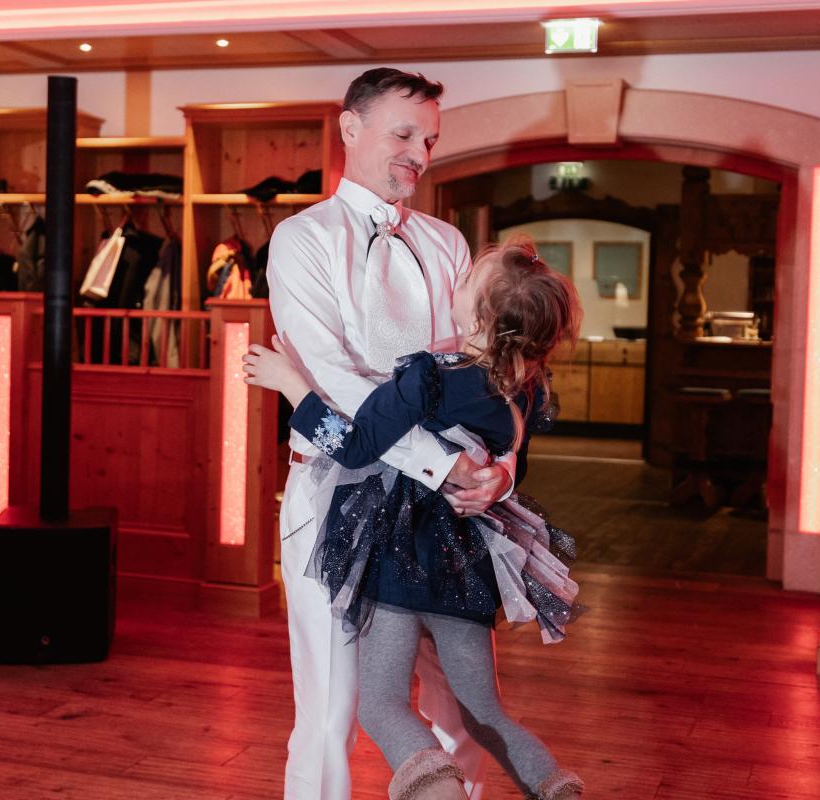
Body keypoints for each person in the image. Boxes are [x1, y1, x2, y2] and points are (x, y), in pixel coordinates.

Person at [246, 236, 585, 800]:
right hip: (468, 564)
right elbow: (514, 464)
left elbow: (354, 446)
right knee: (484, 713)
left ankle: (439, 793)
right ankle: (556, 790)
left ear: (478, 317)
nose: (458, 278)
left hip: (397, 556)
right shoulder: (523, 392)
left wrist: (291, 385)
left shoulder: (429, 376)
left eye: (469, 278)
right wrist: (499, 477)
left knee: (381, 704)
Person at [260, 68, 516, 800]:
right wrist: (444, 463)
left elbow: (487, 373)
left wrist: (500, 466)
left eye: (429, 141)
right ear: (350, 127)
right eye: (404, 134)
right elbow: (335, 383)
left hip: (444, 514)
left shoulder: (447, 243)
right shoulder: (301, 240)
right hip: (334, 493)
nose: (419, 154)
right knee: (331, 708)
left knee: (465, 705)